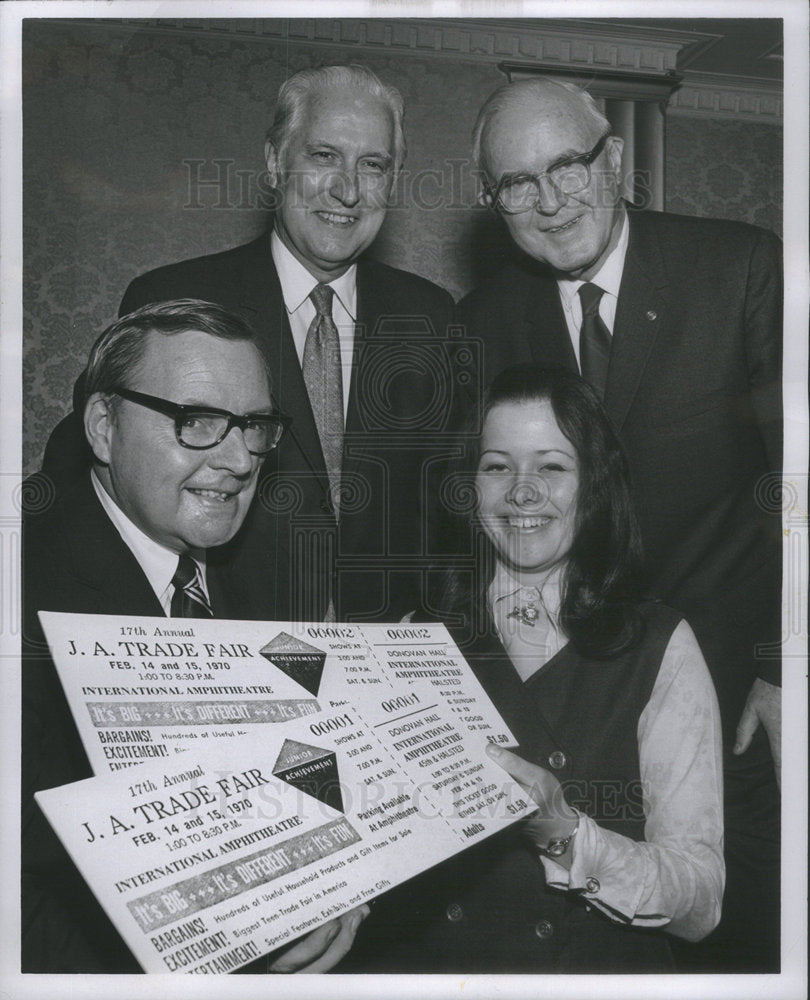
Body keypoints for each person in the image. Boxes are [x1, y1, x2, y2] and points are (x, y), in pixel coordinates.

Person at [457, 76, 781, 972]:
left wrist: (784, 665)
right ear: (495, 204)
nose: (550, 200)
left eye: (568, 165)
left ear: (617, 160)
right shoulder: (486, 319)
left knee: (740, 943)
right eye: (517, 183)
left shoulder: (741, 266)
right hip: (570, 696)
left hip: (736, 688)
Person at [339, 365, 724, 974]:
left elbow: (700, 902)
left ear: (593, 484)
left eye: (551, 466)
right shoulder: (414, 638)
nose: (522, 491)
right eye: (496, 466)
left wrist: (561, 832)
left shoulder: (662, 645)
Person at [41, 64, 457, 624]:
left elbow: (452, 499)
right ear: (273, 163)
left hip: (385, 661)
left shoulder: (430, 316)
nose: (349, 189)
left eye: (373, 165)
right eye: (323, 156)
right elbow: (81, 473)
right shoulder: (176, 296)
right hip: (222, 647)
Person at [22, 299, 367, 973]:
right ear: (102, 427)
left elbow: (309, 752)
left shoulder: (276, 562)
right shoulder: (22, 586)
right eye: (197, 422)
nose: (240, 460)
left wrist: (341, 883)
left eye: (256, 426)